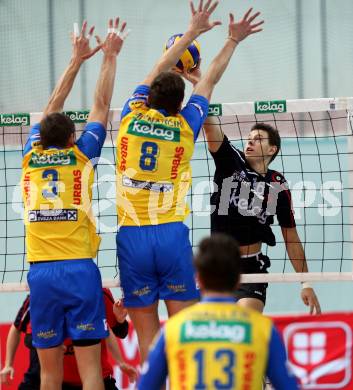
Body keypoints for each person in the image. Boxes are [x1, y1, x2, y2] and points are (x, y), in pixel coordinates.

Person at [116, 0, 264, 364]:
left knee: (150, 345)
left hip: (132, 235)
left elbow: (156, 69)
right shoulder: (186, 125)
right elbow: (209, 79)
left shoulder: (129, 116)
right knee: (186, 334)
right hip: (170, 235)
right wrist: (231, 40)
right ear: (181, 103)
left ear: (146, 98)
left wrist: (190, 34)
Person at [21, 18, 127, 390]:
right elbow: (101, 104)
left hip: (42, 274)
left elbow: (52, 106)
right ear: (71, 137)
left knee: (48, 374)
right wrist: (108, 56)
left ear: (42, 136)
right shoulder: (82, 158)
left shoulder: (29, 157)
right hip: (80, 271)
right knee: (91, 373)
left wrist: (75, 59)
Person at [138, 234, 298, 389]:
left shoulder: (173, 329)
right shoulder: (263, 330)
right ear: (237, 280)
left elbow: (146, 386)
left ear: (198, 279)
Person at [201, 115, 322, 315]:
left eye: (258, 139)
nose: (250, 141)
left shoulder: (278, 184)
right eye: (249, 138)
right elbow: (210, 127)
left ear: (271, 150)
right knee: (216, 329)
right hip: (218, 263)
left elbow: (291, 237)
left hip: (251, 266)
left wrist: (305, 283)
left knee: (243, 324)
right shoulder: (231, 160)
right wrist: (204, 92)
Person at [0, 290, 137, 390]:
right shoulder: (40, 296)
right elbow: (17, 328)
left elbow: (111, 330)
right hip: (60, 381)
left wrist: (121, 361)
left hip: (98, 378)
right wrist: (8, 364)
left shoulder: (98, 293)